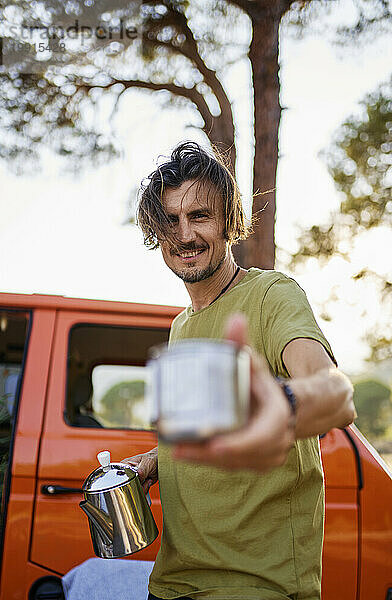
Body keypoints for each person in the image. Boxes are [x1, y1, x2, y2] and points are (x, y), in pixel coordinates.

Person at [124, 141, 355, 600]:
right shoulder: (180, 325)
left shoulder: (272, 295)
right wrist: (154, 461)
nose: (184, 235)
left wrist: (281, 405)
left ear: (229, 221)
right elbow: (201, 433)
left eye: (200, 216)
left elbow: (334, 394)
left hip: (255, 587)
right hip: (173, 583)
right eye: (170, 221)